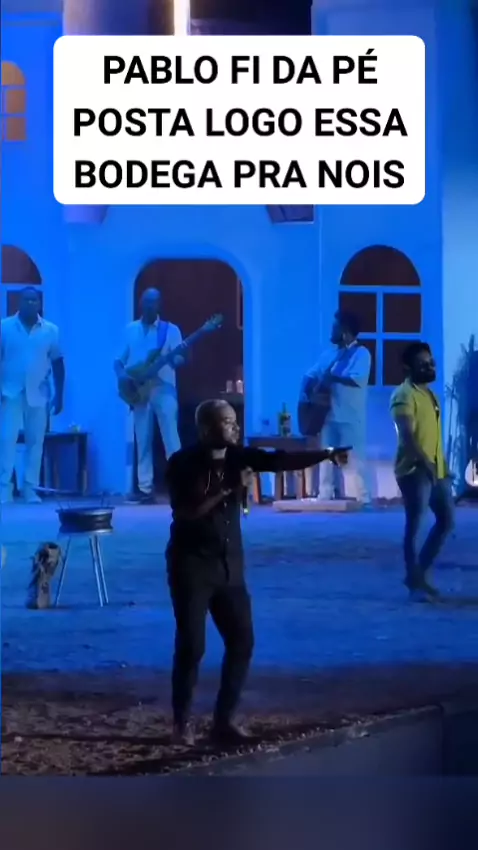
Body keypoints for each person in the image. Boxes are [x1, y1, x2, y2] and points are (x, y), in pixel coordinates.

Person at [165, 399, 350, 746]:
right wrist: (229, 488)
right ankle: (181, 723)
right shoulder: (182, 463)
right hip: (191, 566)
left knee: (242, 641)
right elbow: (187, 511)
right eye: (226, 422)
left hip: (229, 567)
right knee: (192, 646)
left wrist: (326, 454)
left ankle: (224, 720)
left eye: (235, 421)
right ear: (205, 428)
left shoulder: (238, 456)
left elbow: (279, 460)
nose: (235, 427)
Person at [390, 342, 454, 602]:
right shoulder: (403, 395)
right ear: (408, 368)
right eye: (423, 364)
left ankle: (417, 575)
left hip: (436, 470)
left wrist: (442, 467)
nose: (429, 367)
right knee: (415, 526)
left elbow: (433, 435)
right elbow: (407, 436)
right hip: (415, 470)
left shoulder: (430, 395)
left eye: (431, 363)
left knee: (446, 521)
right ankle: (415, 584)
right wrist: (426, 463)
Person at [114, 288, 185, 504]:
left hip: (164, 389)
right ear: (140, 303)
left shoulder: (170, 330)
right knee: (142, 439)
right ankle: (145, 488)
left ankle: (180, 486)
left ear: (159, 305)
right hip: (139, 390)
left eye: (154, 302)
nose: (150, 306)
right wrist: (123, 377)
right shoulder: (130, 330)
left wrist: (176, 359)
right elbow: (118, 360)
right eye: (146, 301)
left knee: (171, 438)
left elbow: (179, 359)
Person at [0, 287, 64, 504]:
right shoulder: (4, 327)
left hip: (39, 393)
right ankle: (4, 489)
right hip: (10, 392)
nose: (30, 303)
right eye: (26, 300)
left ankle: (30, 489)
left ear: (39, 303)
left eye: (34, 300)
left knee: (35, 442)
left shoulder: (51, 330)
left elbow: (58, 363)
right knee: (6, 440)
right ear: (19, 302)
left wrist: (59, 395)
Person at [301, 310, 372, 504]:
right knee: (327, 455)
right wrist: (307, 389)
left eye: (335, 327)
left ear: (345, 331)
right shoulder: (329, 354)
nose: (332, 331)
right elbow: (311, 374)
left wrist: (332, 378)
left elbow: (356, 379)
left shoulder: (361, 354)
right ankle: (325, 494)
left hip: (350, 415)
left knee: (355, 457)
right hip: (328, 413)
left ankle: (364, 498)